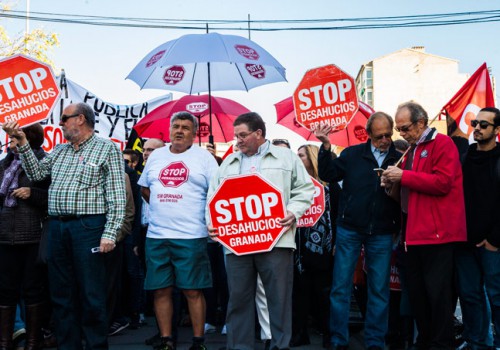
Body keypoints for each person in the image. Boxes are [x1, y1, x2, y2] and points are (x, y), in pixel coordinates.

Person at [2, 102, 126, 350]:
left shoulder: (106, 149)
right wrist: (22, 141)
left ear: (80, 119)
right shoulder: (59, 150)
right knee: (61, 294)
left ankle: (95, 345)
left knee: (91, 294)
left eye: (64, 118)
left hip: (89, 227)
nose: (60, 123)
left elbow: (117, 196)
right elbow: (37, 174)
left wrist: (110, 233)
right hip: (57, 228)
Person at [208, 112, 315, 350]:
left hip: (277, 241)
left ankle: (279, 346)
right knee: (238, 300)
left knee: (278, 300)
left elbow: (305, 189)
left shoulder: (287, 157)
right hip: (236, 243)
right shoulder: (229, 162)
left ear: (259, 133)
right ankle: (239, 347)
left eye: (243, 135)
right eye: (236, 136)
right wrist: (212, 223)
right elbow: (212, 198)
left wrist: (293, 211)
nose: (238, 140)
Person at [382, 101, 466, 349]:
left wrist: (403, 176)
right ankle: (426, 341)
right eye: (399, 129)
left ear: (420, 123)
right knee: (418, 297)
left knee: (438, 296)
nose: (401, 134)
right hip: (414, 234)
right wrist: (391, 185)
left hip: (437, 234)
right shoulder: (411, 150)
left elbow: (442, 183)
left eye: (405, 128)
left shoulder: (442, 143)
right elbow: (408, 194)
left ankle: (441, 343)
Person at [314, 111, 401, 350]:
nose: (385, 139)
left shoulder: (399, 158)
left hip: (382, 231)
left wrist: (397, 227)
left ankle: (375, 341)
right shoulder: (352, 154)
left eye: (388, 134)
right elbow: (328, 174)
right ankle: (338, 340)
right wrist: (325, 146)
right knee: (341, 286)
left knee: (379, 290)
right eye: (379, 136)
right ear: (369, 134)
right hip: (350, 228)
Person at [138, 112, 218, 350]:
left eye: (185, 127)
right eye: (175, 126)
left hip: (191, 235)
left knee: (192, 290)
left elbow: (217, 193)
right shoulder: (156, 156)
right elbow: (144, 188)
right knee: (160, 290)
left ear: (195, 133)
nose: (179, 130)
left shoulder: (204, 158)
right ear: (169, 130)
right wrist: (165, 208)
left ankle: (198, 341)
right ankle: (166, 340)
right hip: (157, 236)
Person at [0, 123, 50, 350]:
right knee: (6, 289)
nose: (10, 144)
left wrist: (32, 194)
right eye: (10, 140)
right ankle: (5, 341)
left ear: (27, 140)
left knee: (33, 289)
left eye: (15, 140)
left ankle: (33, 341)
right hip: (5, 235)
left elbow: (53, 198)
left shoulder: (45, 162)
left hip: (33, 236)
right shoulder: (5, 164)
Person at [456, 107, 500, 349]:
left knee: (496, 298)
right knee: (471, 296)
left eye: (484, 125)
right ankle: (477, 342)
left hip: (492, 244)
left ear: (497, 130)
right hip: (464, 241)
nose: (478, 128)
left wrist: (494, 239)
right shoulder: (464, 158)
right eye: (475, 123)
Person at [291, 144, 340, 348]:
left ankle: (329, 334)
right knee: (299, 292)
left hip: (323, 247)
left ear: (312, 159)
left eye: (301, 155)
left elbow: (338, 215)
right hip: (299, 246)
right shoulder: (293, 186)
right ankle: (300, 333)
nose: (297, 158)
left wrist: (336, 241)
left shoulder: (331, 186)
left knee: (324, 292)